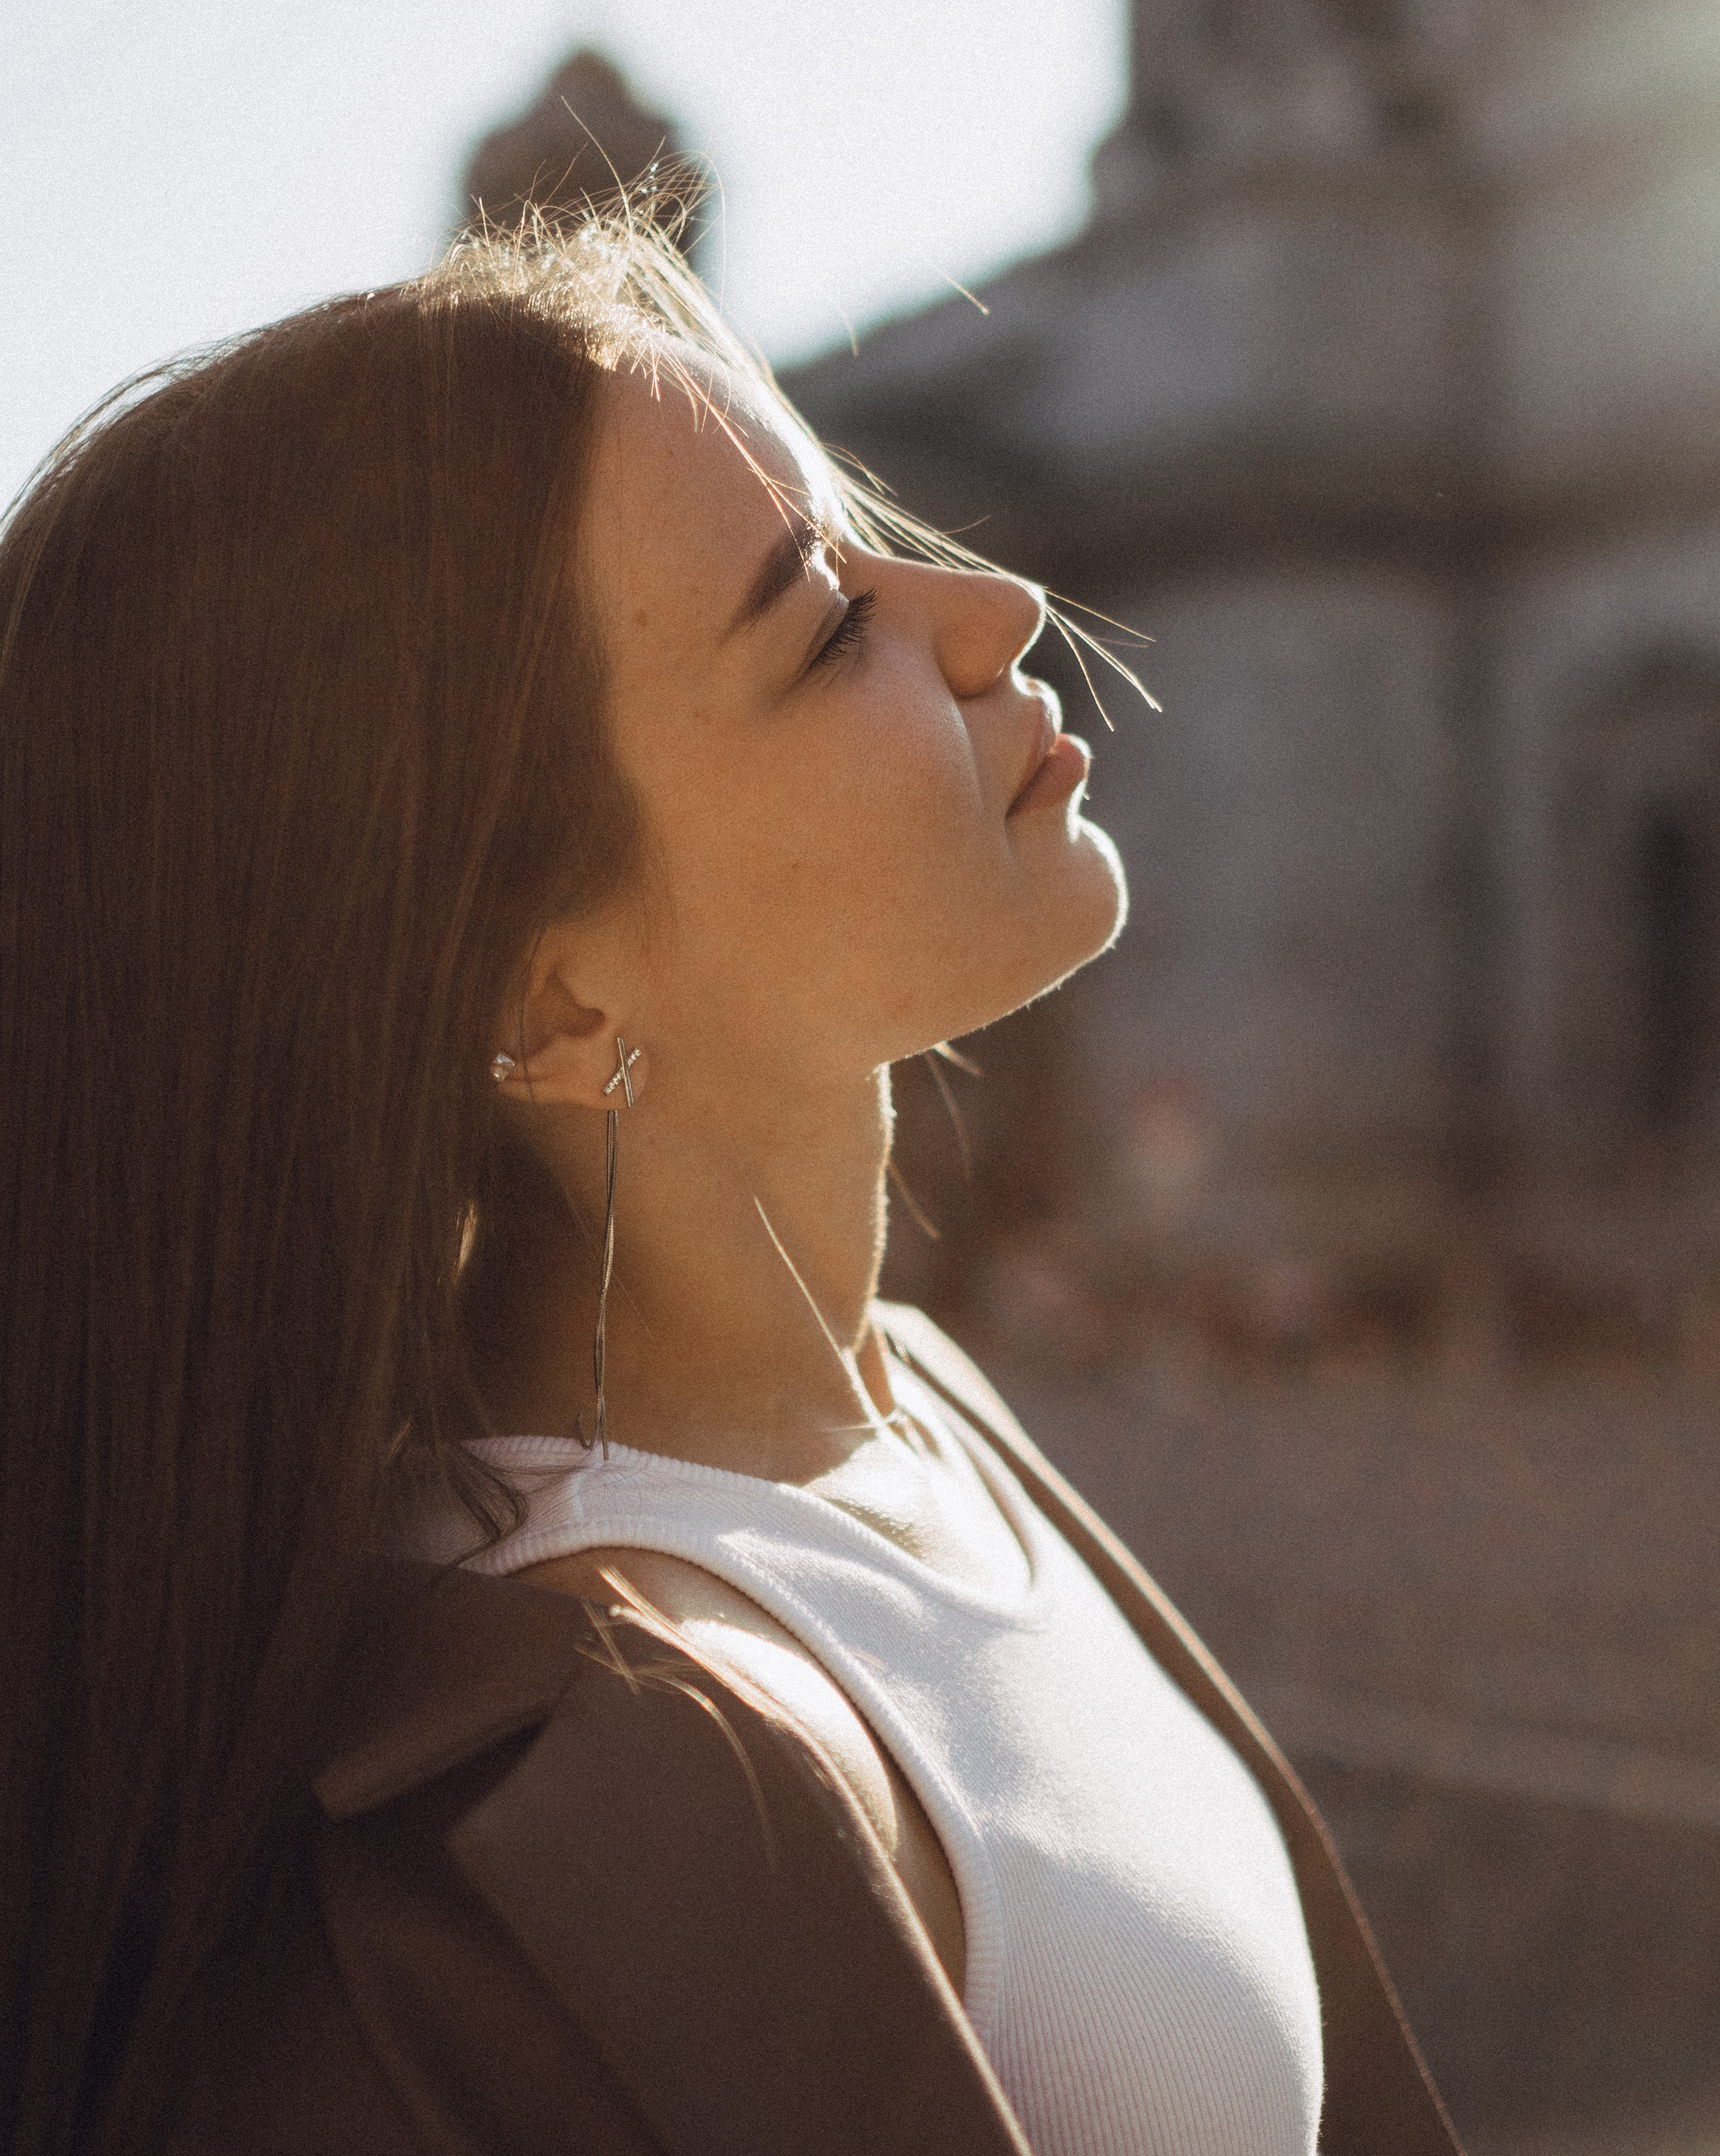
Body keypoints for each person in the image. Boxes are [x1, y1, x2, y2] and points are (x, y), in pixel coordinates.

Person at [0, 214, 1461, 2156]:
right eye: (823, 624)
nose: (994, 608)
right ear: (549, 978)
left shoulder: (917, 1411)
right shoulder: (589, 1778)